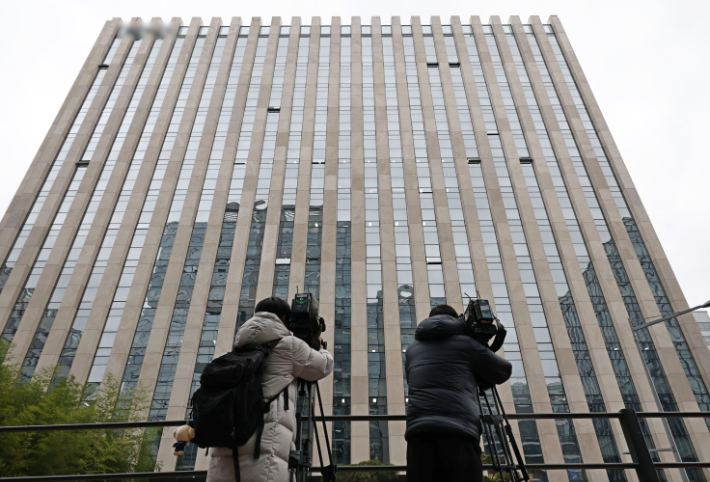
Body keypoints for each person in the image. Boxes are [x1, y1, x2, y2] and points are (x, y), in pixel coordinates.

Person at [206, 297, 334, 482]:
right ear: (284, 318)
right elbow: (322, 367)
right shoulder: (289, 345)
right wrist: (321, 348)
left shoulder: (238, 349)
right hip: (264, 454)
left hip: (225, 453)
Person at [405, 304, 512, 482]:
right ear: (457, 320)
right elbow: (503, 371)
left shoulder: (412, 350)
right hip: (458, 431)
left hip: (419, 433)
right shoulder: (466, 344)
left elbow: (411, 380)